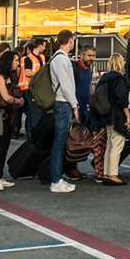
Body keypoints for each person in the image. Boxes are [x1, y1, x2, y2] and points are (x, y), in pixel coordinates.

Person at [46, 30, 78, 193]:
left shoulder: (60, 58)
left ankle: (57, 177)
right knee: (59, 142)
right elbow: (66, 86)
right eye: (73, 40)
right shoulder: (60, 59)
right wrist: (75, 105)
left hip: (63, 103)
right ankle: (56, 180)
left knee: (60, 142)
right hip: (62, 103)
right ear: (70, 40)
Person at [0, 48, 22, 191]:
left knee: (5, 144)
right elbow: (6, 97)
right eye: (15, 61)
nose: (18, 63)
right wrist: (17, 100)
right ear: (8, 61)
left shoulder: (10, 76)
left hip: (7, 114)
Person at [94, 53, 130, 186]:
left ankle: (106, 173)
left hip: (106, 115)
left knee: (110, 144)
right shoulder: (119, 79)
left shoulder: (104, 78)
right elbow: (121, 100)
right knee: (117, 144)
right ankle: (112, 174)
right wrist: (128, 115)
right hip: (117, 115)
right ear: (121, 63)